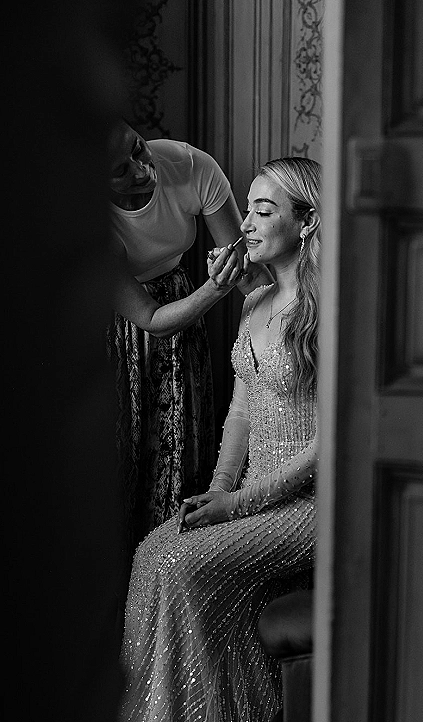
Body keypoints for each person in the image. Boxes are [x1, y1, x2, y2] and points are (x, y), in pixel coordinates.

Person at [118, 156, 321, 722]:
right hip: (250, 495)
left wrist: (235, 508)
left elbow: (325, 446)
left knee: (181, 564)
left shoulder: (327, 310)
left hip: (309, 505)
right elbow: (237, 415)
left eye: (266, 210)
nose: (247, 221)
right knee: (156, 549)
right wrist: (216, 493)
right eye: (249, 206)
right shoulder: (256, 300)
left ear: (307, 222)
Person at [106, 118, 269, 575]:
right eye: (121, 170)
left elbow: (246, 265)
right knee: (127, 454)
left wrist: (285, 317)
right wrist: (213, 291)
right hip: (123, 326)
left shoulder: (189, 164)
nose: (142, 169)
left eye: (138, 149)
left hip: (184, 307)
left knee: (179, 444)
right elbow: (151, 320)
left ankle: (170, 569)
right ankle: (119, 584)